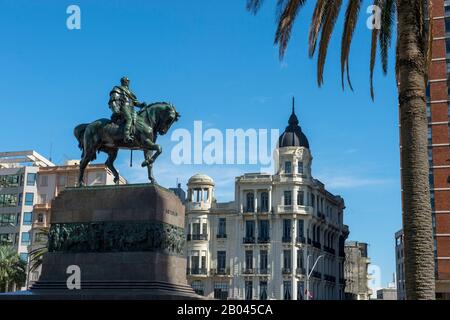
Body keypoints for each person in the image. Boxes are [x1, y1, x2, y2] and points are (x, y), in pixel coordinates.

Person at [109, 76, 146, 143]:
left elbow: (135, 102)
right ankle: (126, 136)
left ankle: (134, 134)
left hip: (131, 108)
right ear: (122, 81)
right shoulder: (117, 89)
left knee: (137, 120)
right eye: (126, 80)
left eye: (128, 81)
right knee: (129, 119)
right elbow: (113, 100)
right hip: (124, 107)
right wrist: (116, 110)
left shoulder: (130, 92)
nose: (127, 82)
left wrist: (141, 104)